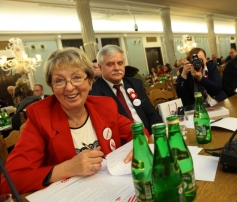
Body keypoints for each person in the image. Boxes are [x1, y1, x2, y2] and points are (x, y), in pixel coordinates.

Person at [0, 47, 143, 195]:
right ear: (51, 86)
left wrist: (139, 146)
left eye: (76, 77)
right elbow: (8, 182)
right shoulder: (40, 116)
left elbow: (138, 131)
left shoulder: (104, 106)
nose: (69, 87)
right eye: (59, 80)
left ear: (90, 81)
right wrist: (68, 168)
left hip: (113, 191)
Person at [89, 45, 162, 133]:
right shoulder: (94, 92)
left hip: (150, 136)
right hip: (124, 142)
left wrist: (158, 134)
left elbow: (151, 113)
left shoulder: (135, 84)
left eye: (120, 63)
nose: (117, 68)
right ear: (100, 67)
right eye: (110, 64)